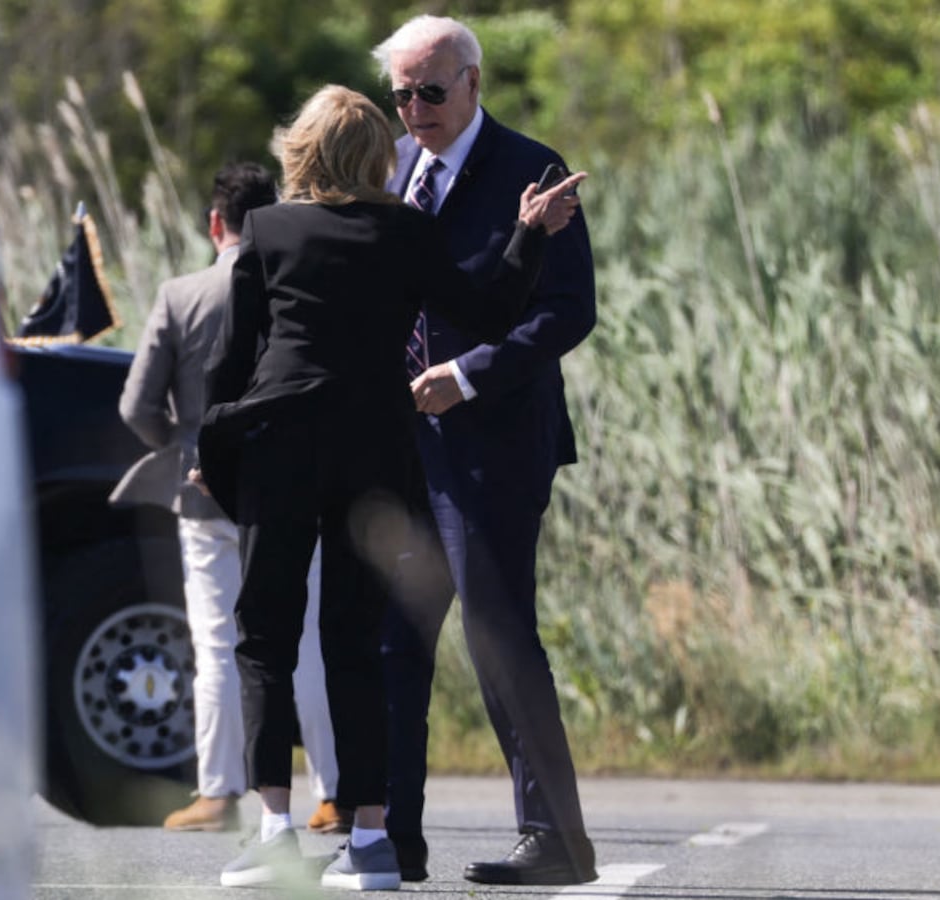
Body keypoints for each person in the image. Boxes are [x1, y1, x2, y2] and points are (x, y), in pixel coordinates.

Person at [199, 84, 582, 891]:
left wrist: (216, 444)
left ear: (300, 150)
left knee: (266, 636)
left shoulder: (266, 231)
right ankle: (373, 842)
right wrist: (526, 233)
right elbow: (488, 307)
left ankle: (274, 831)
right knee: (355, 641)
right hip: (375, 450)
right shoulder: (405, 230)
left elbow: (231, 361)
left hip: (280, 445)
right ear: (378, 154)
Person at [372, 15, 600, 887]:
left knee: (498, 633)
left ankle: (555, 839)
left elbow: (568, 310)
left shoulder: (530, 168)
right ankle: (389, 837)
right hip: (402, 451)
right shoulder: (390, 169)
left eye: (431, 90)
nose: (415, 108)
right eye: (402, 93)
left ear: (473, 83)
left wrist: (467, 375)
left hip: (494, 444)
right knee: (395, 639)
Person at [111, 162, 351, 836]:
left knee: (217, 643)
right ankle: (332, 792)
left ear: (215, 223)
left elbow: (135, 403)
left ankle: (218, 794)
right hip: (289, 487)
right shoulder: (294, 289)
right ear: (271, 218)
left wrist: (183, 442)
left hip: (205, 491)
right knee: (304, 641)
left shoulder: (180, 293)